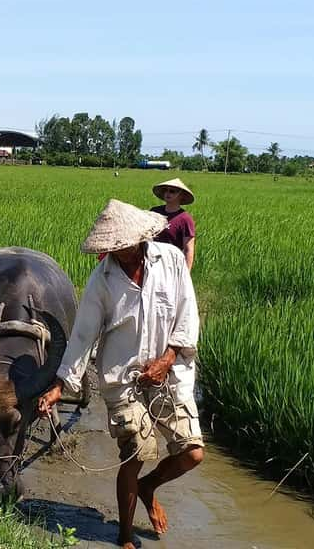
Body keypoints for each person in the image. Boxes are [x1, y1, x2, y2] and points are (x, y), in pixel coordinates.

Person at [38, 199, 203, 547]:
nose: (121, 252)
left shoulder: (170, 261)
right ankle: (125, 536)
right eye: (114, 247)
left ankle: (148, 487)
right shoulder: (104, 278)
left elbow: (188, 312)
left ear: (142, 236)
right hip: (123, 378)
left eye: (126, 244)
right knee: (136, 453)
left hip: (169, 373)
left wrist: (168, 357)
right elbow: (84, 334)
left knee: (192, 453)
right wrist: (60, 385)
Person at [150, 178, 197, 270]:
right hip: (152, 261)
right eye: (165, 190)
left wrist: (186, 276)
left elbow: (188, 249)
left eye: (172, 191)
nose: (168, 193)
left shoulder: (185, 219)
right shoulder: (154, 212)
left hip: (171, 264)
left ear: (181, 195)